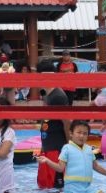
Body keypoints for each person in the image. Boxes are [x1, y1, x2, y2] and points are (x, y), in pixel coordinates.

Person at [38, 121, 106, 193]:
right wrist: (47, 161)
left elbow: (96, 166)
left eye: (85, 133)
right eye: (79, 132)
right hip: (72, 188)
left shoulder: (88, 149)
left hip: (87, 188)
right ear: (71, 133)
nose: (81, 136)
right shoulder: (67, 148)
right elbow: (60, 168)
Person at [36, 59, 70, 191]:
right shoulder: (46, 93)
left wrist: (69, 146)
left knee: (58, 185)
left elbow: (66, 121)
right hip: (48, 146)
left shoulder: (58, 96)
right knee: (45, 185)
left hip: (57, 148)